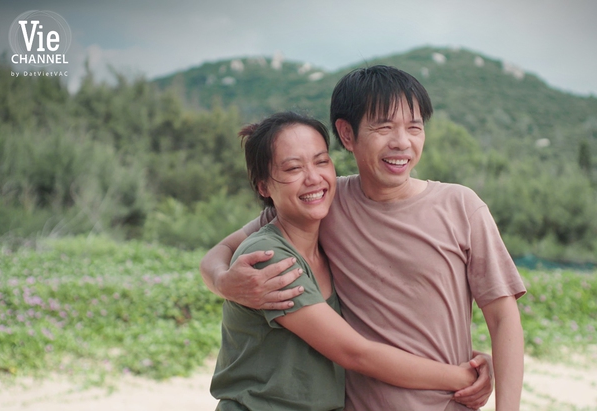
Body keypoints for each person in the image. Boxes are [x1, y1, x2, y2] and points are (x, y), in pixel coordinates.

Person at [202, 66, 526, 410]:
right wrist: (223, 282)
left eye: (414, 127)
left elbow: (503, 318)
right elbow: (224, 249)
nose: (402, 142)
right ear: (347, 134)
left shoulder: (460, 206)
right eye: (384, 127)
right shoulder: (324, 202)